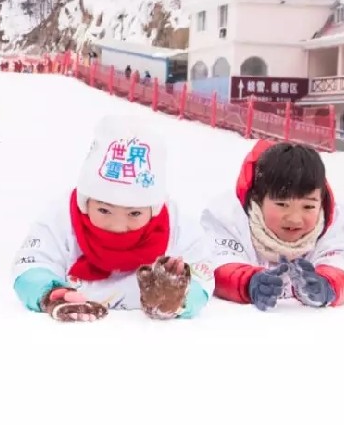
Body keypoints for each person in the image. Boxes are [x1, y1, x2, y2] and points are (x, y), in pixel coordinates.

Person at [11, 117, 214, 322]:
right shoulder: (61, 219)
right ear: (85, 202)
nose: (118, 227)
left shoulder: (178, 227)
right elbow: (32, 264)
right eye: (104, 210)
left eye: (134, 213)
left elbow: (202, 276)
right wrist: (53, 294)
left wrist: (178, 297)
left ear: (153, 209)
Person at [200, 140, 344, 311]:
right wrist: (249, 282)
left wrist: (325, 286)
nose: (295, 219)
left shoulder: (336, 223)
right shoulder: (230, 217)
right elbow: (215, 265)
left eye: (308, 206)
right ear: (258, 198)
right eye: (282, 204)